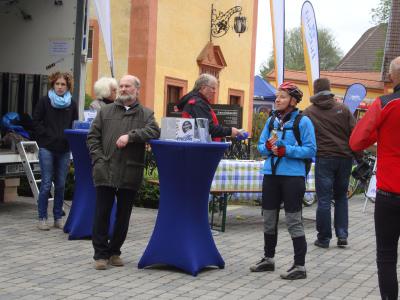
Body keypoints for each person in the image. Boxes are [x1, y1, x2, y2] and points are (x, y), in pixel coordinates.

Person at [87, 75, 160, 270]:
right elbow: (92, 137)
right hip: (106, 169)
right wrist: (98, 159)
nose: (123, 89)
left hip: (130, 171)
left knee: (123, 215)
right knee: (102, 213)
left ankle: (115, 251)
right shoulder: (105, 111)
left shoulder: (146, 114)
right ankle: (100, 255)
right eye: (121, 86)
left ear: (137, 90)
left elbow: (154, 131)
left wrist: (131, 136)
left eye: (128, 86)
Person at [250, 82, 316, 280]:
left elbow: (311, 150)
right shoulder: (272, 121)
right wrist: (268, 147)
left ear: (293, 101)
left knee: (293, 221)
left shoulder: (303, 122)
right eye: (277, 96)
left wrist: (287, 150)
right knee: (269, 219)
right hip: (271, 175)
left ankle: (300, 266)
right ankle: (268, 259)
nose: (277, 99)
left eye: (283, 97)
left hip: (293, 177)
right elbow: (260, 145)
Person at [350, 56, 400, 300]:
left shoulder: (384, 103)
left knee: (387, 255)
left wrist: (380, 134)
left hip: (390, 192)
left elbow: (357, 141)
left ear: (392, 77)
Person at [303, 78, 357, 249]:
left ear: (315, 91)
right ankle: (342, 236)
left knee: (324, 199)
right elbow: (355, 134)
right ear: (329, 89)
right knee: (341, 197)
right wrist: (359, 156)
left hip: (324, 158)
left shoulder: (309, 112)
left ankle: (324, 238)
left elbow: (303, 135)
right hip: (345, 158)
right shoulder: (343, 109)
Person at [32, 71, 78, 230]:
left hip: (64, 150)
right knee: (45, 184)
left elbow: (74, 125)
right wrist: (46, 136)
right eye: (57, 84)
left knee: (60, 185)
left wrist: (69, 141)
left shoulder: (72, 104)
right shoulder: (44, 101)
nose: (60, 87)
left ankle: (58, 217)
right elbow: (36, 122)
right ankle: (42, 217)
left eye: (63, 84)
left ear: (68, 86)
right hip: (47, 148)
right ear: (53, 85)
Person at [175, 73, 240, 141]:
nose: (215, 92)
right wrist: (230, 131)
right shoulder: (198, 103)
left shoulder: (196, 101)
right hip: (202, 149)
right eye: (213, 88)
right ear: (203, 87)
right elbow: (208, 129)